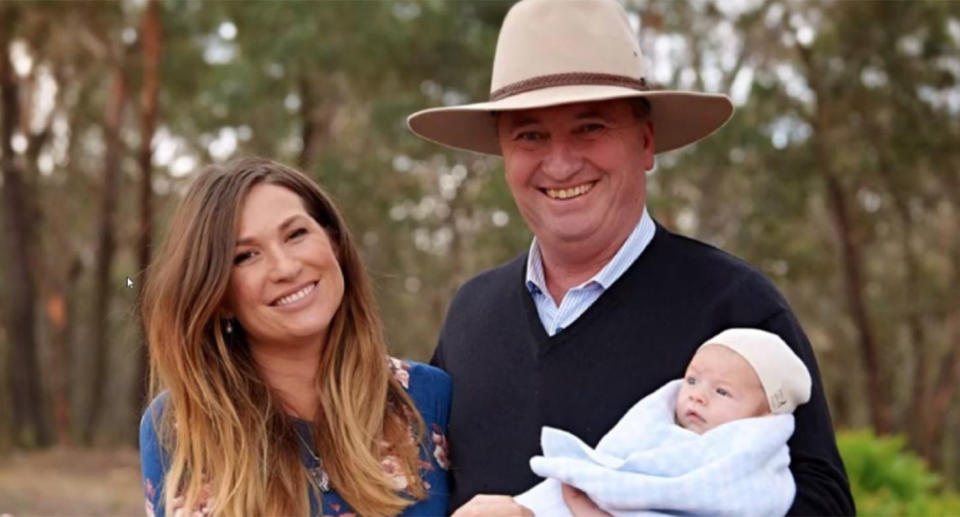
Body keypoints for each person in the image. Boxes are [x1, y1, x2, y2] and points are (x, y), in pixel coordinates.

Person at [405, 0, 854, 515]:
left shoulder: (735, 308)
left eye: (590, 127)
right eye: (530, 135)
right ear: (504, 156)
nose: (561, 162)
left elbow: (822, 505)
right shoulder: (472, 314)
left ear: (645, 143)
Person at [138, 158, 451, 516]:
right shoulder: (179, 425)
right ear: (219, 296)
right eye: (246, 256)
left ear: (334, 243)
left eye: (296, 234)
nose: (285, 268)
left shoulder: (430, 399)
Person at [515, 328, 812, 516]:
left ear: (765, 416)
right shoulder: (656, 430)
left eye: (722, 391)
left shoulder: (748, 468)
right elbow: (615, 465)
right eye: (693, 380)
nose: (698, 396)